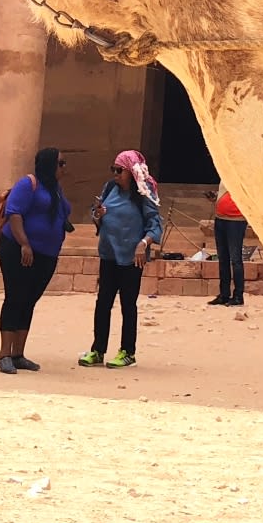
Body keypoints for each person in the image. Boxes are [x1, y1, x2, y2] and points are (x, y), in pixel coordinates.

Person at [79, 149, 163, 369]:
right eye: (113, 169)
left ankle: (128, 352)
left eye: (119, 170)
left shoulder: (143, 194)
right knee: (103, 303)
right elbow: (97, 218)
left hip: (131, 259)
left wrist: (143, 244)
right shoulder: (109, 189)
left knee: (128, 305)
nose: (115, 174)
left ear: (131, 172)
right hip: (108, 254)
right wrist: (98, 214)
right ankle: (98, 349)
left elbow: (155, 226)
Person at [0, 146, 71, 375]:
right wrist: (25, 244)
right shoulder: (28, 184)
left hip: (46, 254)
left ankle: (18, 353)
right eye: (61, 163)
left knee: (29, 300)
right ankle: (4, 354)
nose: (64, 168)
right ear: (49, 164)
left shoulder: (55, 189)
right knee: (15, 297)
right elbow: (14, 213)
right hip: (19, 250)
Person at [209, 184, 246, 307]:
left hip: (236, 219)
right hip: (220, 217)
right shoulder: (224, 175)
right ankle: (224, 294)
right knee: (223, 258)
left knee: (235, 259)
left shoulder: (242, 175)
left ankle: (238, 295)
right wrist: (215, 196)